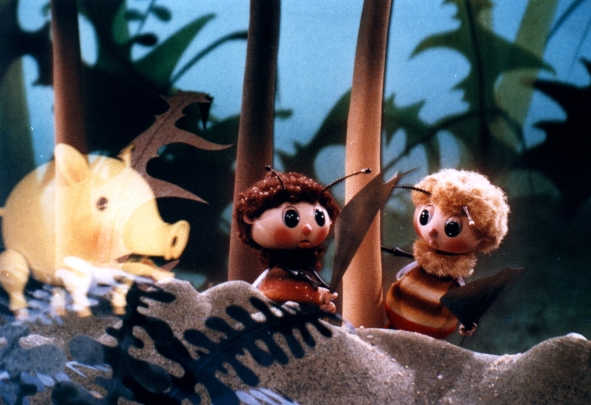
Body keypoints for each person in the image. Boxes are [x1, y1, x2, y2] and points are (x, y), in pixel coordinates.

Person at [384, 169, 510, 339]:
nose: (432, 230)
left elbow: (461, 301)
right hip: (393, 321)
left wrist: (468, 321)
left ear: (482, 238)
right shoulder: (420, 264)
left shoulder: (454, 283)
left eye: (452, 227)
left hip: (430, 335)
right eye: (425, 216)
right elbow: (402, 275)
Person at [234, 167, 341, 313]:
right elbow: (278, 292)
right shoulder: (277, 274)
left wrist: (324, 308)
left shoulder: (305, 273)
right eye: (290, 217)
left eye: (319, 217)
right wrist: (316, 297)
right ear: (251, 218)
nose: (308, 228)